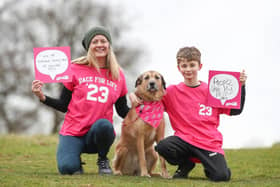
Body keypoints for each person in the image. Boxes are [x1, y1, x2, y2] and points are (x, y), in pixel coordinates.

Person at [31, 26, 130, 175]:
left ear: (109, 45)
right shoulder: (74, 68)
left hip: (98, 134)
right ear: (89, 46)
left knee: (105, 125)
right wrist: (42, 96)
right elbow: (63, 105)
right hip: (73, 132)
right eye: (94, 41)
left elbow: (122, 111)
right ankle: (74, 158)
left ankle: (102, 159)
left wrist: (141, 109)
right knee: (68, 169)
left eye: (103, 41)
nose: (99, 44)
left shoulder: (118, 74)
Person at [154, 46, 247, 181]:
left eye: (192, 65)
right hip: (184, 140)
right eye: (184, 66)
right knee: (163, 147)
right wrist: (137, 97)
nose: (188, 69)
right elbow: (152, 104)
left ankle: (213, 167)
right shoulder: (171, 92)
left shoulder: (213, 90)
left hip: (208, 142)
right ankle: (186, 164)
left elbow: (236, 110)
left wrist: (242, 87)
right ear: (179, 67)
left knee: (221, 177)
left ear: (200, 66)